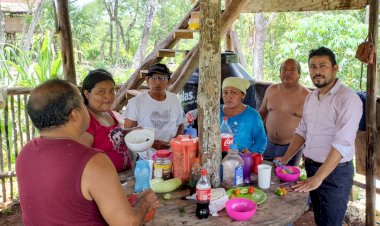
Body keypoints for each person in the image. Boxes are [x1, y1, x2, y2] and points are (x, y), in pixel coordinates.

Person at [16, 79, 158, 225]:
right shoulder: (94, 161)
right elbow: (127, 223)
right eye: (83, 104)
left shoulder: (25, 154)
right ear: (74, 115)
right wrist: (146, 203)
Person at [275, 47, 362, 226]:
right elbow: (302, 131)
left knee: (330, 222)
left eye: (323, 66)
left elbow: (342, 143)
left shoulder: (347, 99)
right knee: (320, 217)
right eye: (313, 67)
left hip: (335, 173)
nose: (317, 71)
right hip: (312, 168)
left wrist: (319, 177)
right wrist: (285, 158)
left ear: (335, 68)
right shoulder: (312, 97)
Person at [79, 69, 135, 172]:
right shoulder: (85, 119)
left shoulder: (108, 112)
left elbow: (111, 136)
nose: (108, 96)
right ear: (87, 93)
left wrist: (130, 131)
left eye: (112, 91)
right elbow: (82, 158)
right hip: (104, 180)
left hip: (124, 176)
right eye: (101, 91)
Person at [259, 58, 311, 166]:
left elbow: (311, 126)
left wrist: (308, 149)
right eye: (284, 69)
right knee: (264, 175)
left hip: (292, 147)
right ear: (279, 73)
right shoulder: (271, 90)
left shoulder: (307, 96)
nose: (287, 73)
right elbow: (262, 113)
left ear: (299, 74)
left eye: (292, 70)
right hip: (268, 143)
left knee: (287, 179)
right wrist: (255, 136)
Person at [123, 63, 185, 150]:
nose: (158, 82)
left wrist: (176, 142)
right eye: (154, 78)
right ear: (147, 80)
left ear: (168, 82)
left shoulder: (174, 99)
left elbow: (180, 124)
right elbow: (127, 132)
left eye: (163, 78)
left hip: (171, 151)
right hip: (144, 154)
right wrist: (150, 143)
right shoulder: (136, 103)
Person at [221, 77, 267, 153]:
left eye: (233, 92)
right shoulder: (215, 112)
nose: (228, 96)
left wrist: (251, 152)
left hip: (242, 160)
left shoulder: (252, 115)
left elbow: (261, 140)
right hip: (217, 159)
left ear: (243, 95)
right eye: (225, 92)